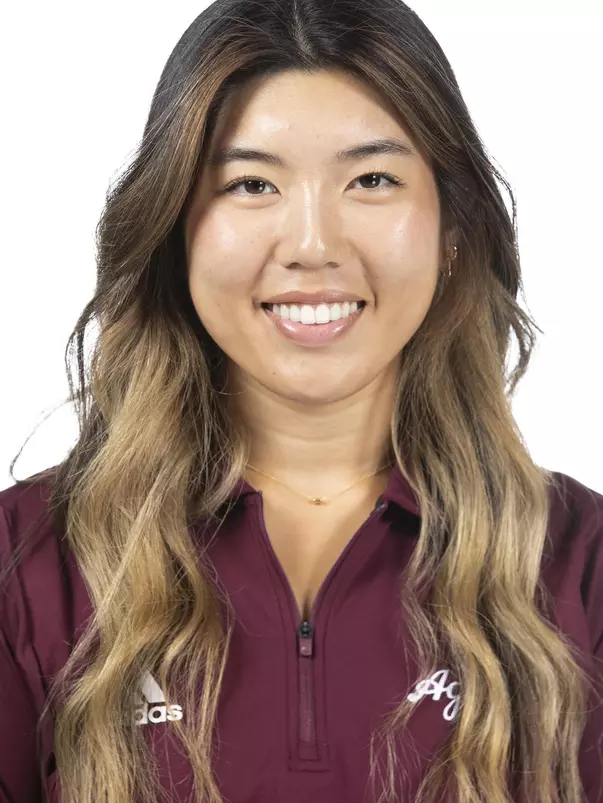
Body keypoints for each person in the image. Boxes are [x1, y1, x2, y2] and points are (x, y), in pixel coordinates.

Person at [0, 0, 602, 802]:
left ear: (452, 228)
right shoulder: (27, 561)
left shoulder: (580, 563)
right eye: (250, 184)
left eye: (372, 179)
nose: (313, 245)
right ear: (174, 227)